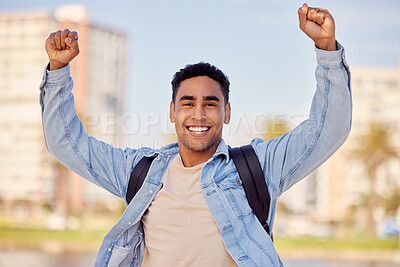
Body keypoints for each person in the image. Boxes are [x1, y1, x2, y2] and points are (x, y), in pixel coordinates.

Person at [40, 3, 351, 267]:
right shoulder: (140, 171)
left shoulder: (258, 167)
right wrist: (57, 70)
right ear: (173, 112)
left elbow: (326, 130)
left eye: (211, 104)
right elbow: (66, 143)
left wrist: (326, 51)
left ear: (227, 112)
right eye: (188, 103)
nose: (199, 115)